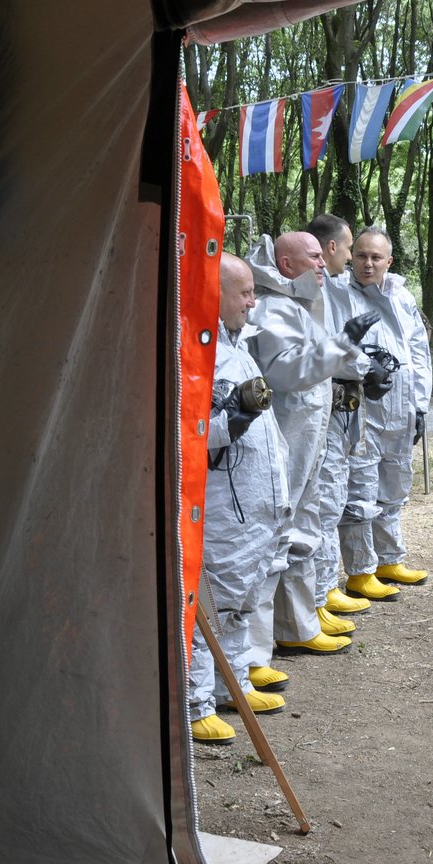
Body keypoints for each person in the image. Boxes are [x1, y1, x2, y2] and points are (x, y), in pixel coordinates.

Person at [245, 231, 377, 664]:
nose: (323, 263)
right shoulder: (273, 308)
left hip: (307, 438)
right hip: (285, 441)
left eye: (323, 257)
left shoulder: (298, 306)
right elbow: (287, 373)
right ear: (286, 266)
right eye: (314, 256)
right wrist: (343, 344)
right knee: (278, 536)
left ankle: (297, 625)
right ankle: (257, 651)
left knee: (304, 526)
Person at [189, 254, 292, 744]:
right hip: (222, 506)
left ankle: (231, 684)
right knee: (210, 603)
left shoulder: (237, 346)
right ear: (215, 292)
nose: (254, 302)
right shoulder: (191, 352)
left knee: (242, 600)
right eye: (246, 292)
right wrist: (229, 420)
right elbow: (180, 430)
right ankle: (195, 702)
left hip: (256, 505)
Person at [339, 228, 433, 597]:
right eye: (361, 255)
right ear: (352, 257)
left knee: (395, 484)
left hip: (402, 407)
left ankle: (388, 559)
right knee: (361, 486)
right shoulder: (342, 295)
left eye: (376, 257)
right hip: (363, 409)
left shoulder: (402, 295)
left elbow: (418, 353)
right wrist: (363, 370)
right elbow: (338, 346)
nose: (367, 263)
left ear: (388, 260)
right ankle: (360, 571)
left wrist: (421, 405)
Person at [302, 214, 378, 633]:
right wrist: (365, 367)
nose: (352, 259)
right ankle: (316, 595)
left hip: (335, 408)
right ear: (332, 248)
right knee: (320, 504)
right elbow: (329, 347)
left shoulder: (332, 290)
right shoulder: (316, 293)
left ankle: (326, 586)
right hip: (316, 410)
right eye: (351, 249)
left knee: (333, 497)